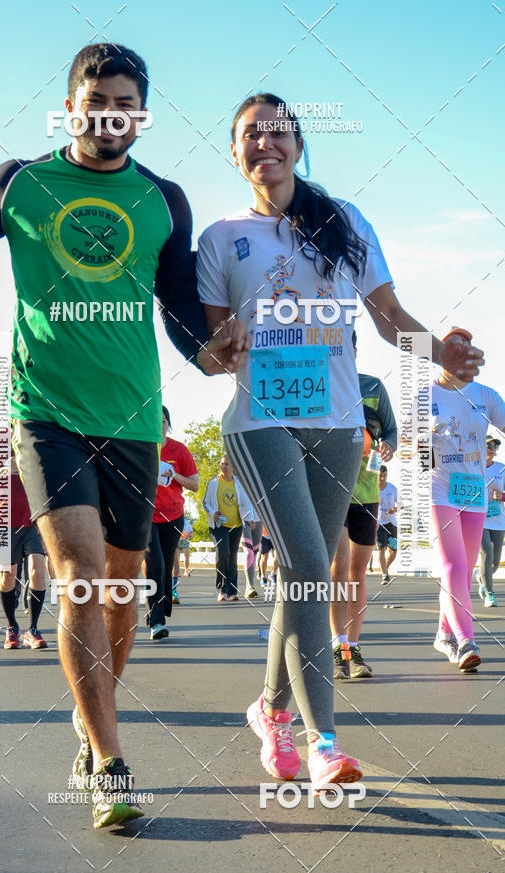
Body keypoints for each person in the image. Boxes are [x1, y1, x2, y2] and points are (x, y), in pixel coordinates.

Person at [0, 43, 247, 828]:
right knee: (84, 580)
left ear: (141, 112)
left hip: (133, 420)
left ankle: (91, 720)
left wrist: (210, 353)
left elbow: (178, 309)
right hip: (46, 411)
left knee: (121, 598)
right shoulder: (20, 184)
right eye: (96, 101)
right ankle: (110, 762)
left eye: (124, 102)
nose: (109, 115)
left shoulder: (164, 199)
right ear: (70, 107)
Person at [196, 92, 483, 788]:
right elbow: (207, 351)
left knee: (303, 580)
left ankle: (269, 711)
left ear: (298, 145)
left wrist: (438, 349)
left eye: (277, 133)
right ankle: (324, 742)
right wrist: (221, 347)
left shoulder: (343, 221)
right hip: (261, 422)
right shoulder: (218, 237)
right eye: (249, 137)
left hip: (338, 423)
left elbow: (388, 318)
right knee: (305, 570)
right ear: (234, 153)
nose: (265, 144)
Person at [429, 329, 505, 671]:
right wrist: (424, 445)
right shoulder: (423, 395)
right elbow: (410, 451)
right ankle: (466, 640)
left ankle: (444, 633)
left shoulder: (485, 395)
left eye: (466, 350)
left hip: (472, 491)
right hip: (438, 489)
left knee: (466, 566)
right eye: (454, 350)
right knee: (453, 567)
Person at [330, 341, 398, 681]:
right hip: (331, 490)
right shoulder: (317, 382)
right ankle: (336, 645)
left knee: (358, 572)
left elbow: (392, 431)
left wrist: (388, 446)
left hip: (368, 491)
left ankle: (353, 648)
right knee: (338, 568)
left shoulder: (373, 386)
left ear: (355, 349)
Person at [0, 431, 48, 650]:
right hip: (3, 522)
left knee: (37, 569)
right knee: (7, 576)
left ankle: (33, 630)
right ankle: (12, 627)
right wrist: (4, 472)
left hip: (35, 520)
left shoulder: (38, 436)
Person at [145, 406, 199, 640]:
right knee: (154, 564)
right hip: (146, 515)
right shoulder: (142, 448)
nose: (161, 424)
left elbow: (195, 484)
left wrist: (173, 475)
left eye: (164, 420)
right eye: (156, 420)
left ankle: (163, 605)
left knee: (166, 565)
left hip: (173, 516)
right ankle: (156, 621)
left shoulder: (179, 450)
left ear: (169, 423)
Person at [203, 455, 256, 601]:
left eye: (226, 464)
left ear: (233, 467)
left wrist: (250, 518)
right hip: (218, 525)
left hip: (236, 525)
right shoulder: (214, 483)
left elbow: (247, 503)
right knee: (223, 552)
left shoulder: (239, 484)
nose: (223, 466)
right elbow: (205, 503)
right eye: (222, 463)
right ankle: (222, 589)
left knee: (232, 557)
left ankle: (232, 591)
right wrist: (212, 513)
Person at [477, 436, 505, 607]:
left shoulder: (502, 469)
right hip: (478, 518)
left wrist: (501, 496)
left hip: (498, 519)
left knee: (495, 561)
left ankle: (481, 577)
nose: (492, 448)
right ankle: (489, 594)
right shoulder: (472, 468)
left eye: (495, 445)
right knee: (486, 553)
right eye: (488, 445)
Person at [377, 466, 399, 585]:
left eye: (384, 475)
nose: (382, 478)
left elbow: (402, 504)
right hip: (379, 524)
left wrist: (394, 509)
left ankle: (384, 568)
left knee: (393, 551)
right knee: (381, 550)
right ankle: (384, 575)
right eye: (380, 475)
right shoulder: (373, 488)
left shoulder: (392, 488)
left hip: (392, 524)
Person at [242, 511, 262, 600]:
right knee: (249, 552)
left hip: (258, 520)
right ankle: (250, 587)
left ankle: (250, 585)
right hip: (244, 520)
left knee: (254, 553)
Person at [172, 515, 193, 601]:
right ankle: (177, 573)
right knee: (176, 558)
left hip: (184, 540)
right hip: (176, 539)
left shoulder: (186, 522)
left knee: (186, 556)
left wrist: (187, 534)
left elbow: (191, 533)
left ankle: (186, 570)